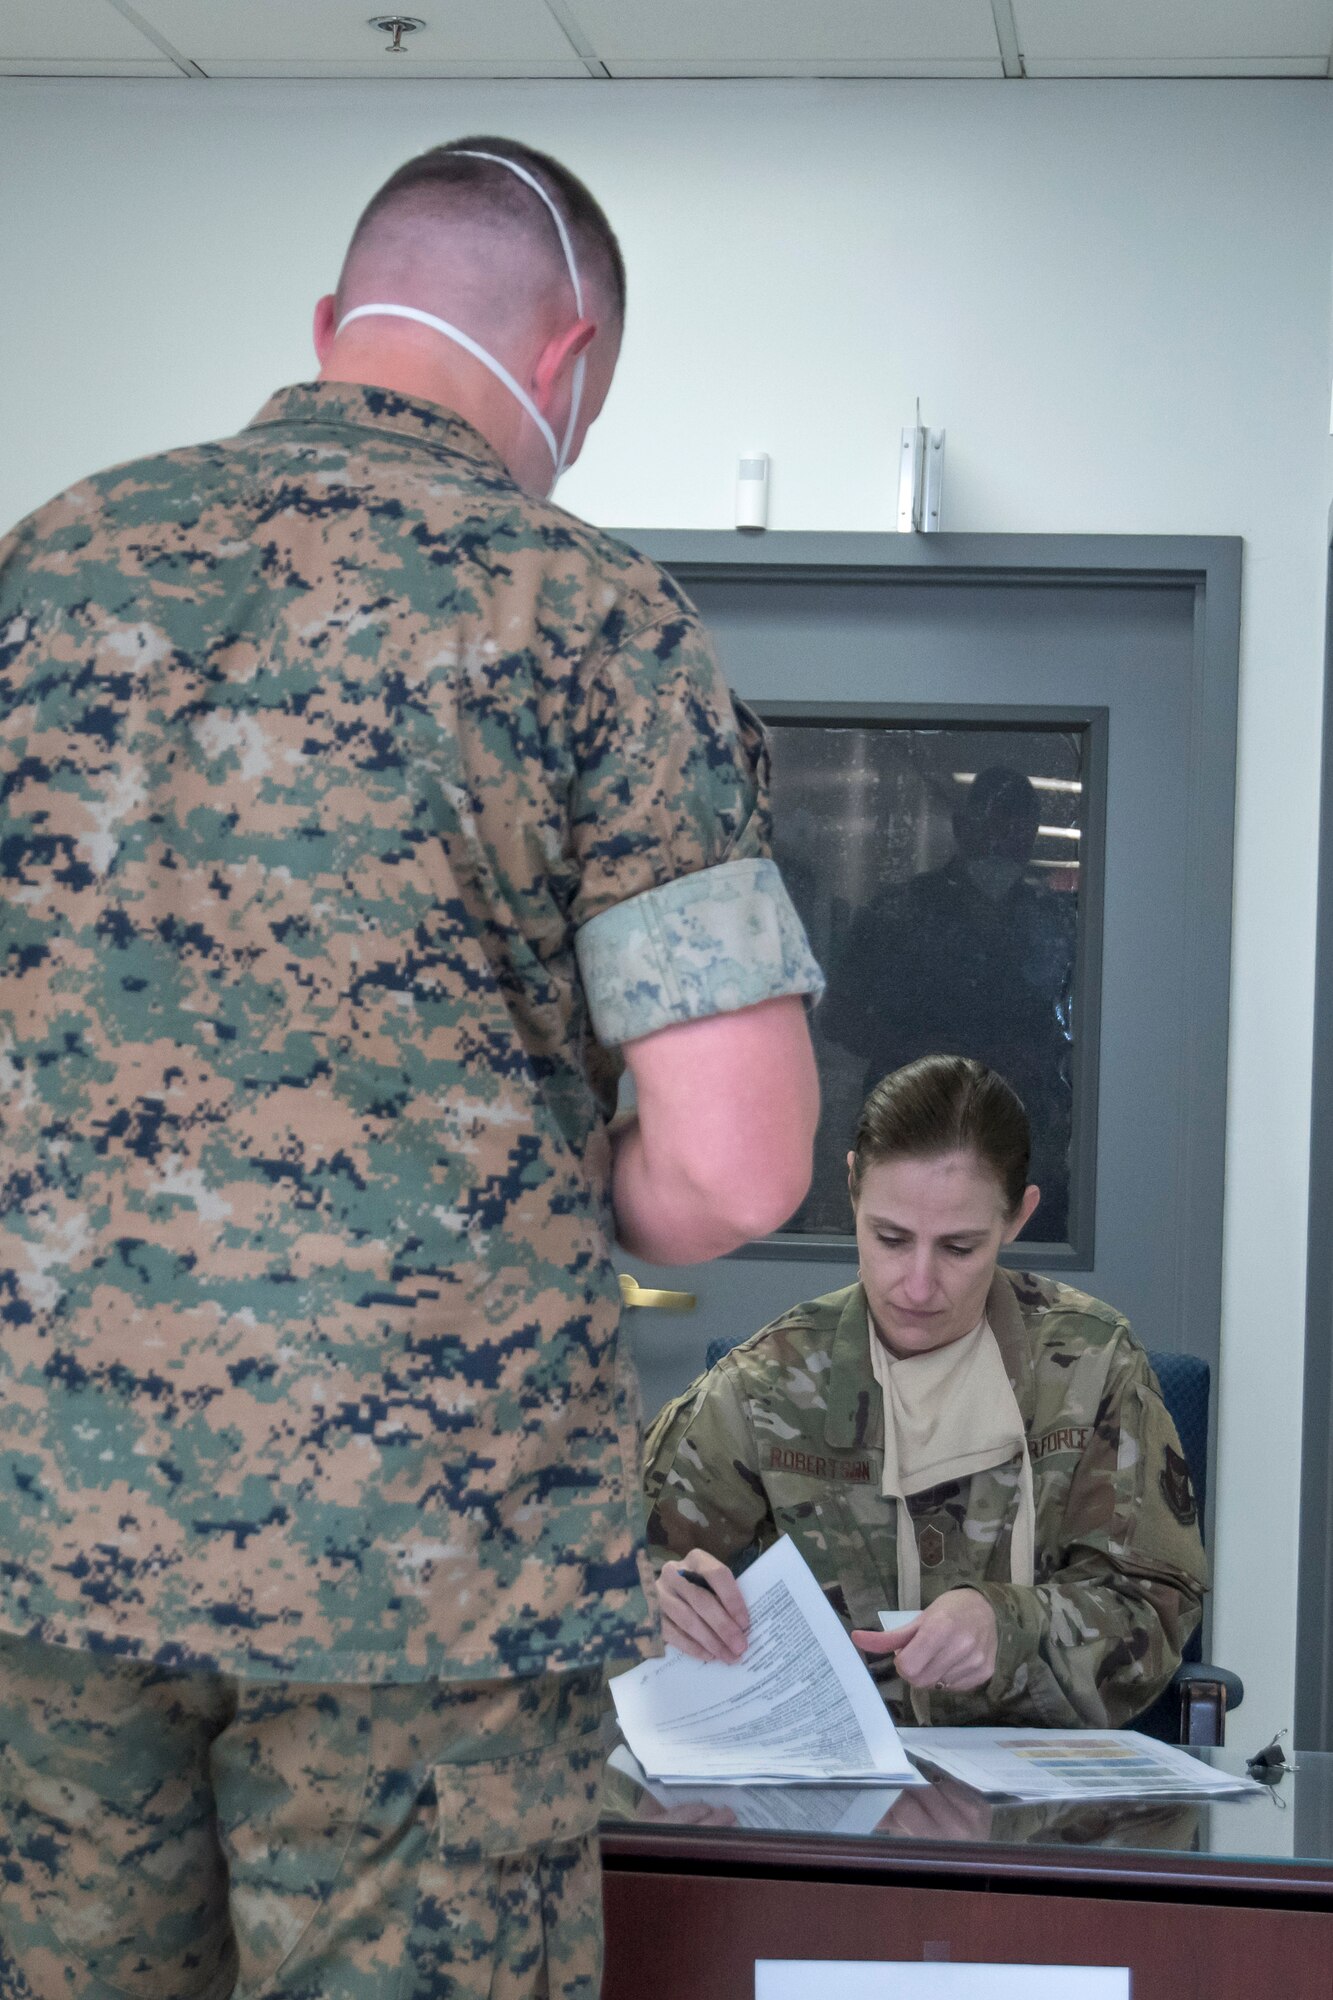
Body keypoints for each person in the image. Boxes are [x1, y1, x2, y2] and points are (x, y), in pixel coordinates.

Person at [0, 138, 822, 1999]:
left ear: (326, 325)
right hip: (422, 1581)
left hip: (38, 1548)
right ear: (571, 362)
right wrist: (569, 1177)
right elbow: (738, 1164)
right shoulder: (585, 617)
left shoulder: (45, 567)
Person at [644, 1055, 1206, 1729]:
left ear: (1016, 1217)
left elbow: (1154, 1610)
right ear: (851, 1188)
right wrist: (654, 1599)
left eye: (958, 1248)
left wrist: (1008, 1625)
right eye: (889, 1238)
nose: (915, 1284)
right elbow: (596, 1571)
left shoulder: (1088, 1369)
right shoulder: (771, 1385)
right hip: (824, 1786)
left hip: (1040, 1798)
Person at [820, 767, 1077, 1236]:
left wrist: (1040, 1059)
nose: (1005, 841)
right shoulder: (899, 914)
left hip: (1022, 1132)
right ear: (962, 828)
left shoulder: (1055, 923)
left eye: (1020, 827)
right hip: (914, 1123)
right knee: (911, 1247)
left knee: (1022, 1260)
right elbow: (839, 1015)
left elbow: (1078, 1028)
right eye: (994, 822)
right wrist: (925, 1049)